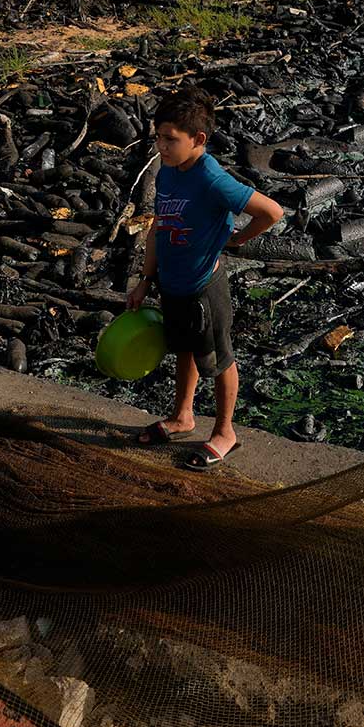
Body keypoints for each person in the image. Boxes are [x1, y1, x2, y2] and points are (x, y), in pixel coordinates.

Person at [127, 87, 286, 471]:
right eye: (158, 138)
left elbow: (272, 211)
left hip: (203, 289)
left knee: (217, 359)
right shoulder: (168, 171)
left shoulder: (211, 179)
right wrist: (145, 280)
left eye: (170, 140)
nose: (161, 147)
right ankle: (183, 416)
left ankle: (226, 432)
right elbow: (157, 229)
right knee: (185, 349)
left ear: (198, 139)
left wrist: (236, 239)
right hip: (172, 285)